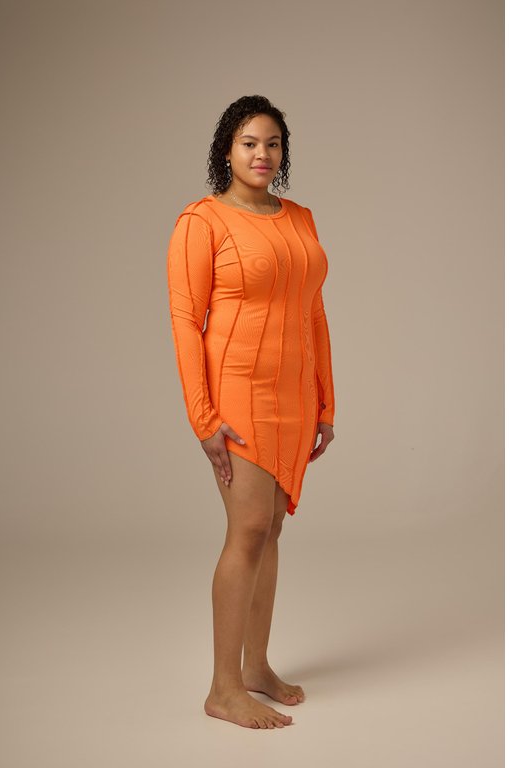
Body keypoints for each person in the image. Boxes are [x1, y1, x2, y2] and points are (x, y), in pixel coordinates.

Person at [166, 95, 336, 730]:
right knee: (247, 531)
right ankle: (223, 688)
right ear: (227, 151)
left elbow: (313, 312)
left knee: (272, 531)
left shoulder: (301, 218)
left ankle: (257, 667)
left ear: (282, 151)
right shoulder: (202, 221)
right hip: (237, 391)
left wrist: (326, 399)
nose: (261, 154)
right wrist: (202, 417)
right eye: (248, 143)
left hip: (294, 395)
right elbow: (186, 320)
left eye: (272, 143)